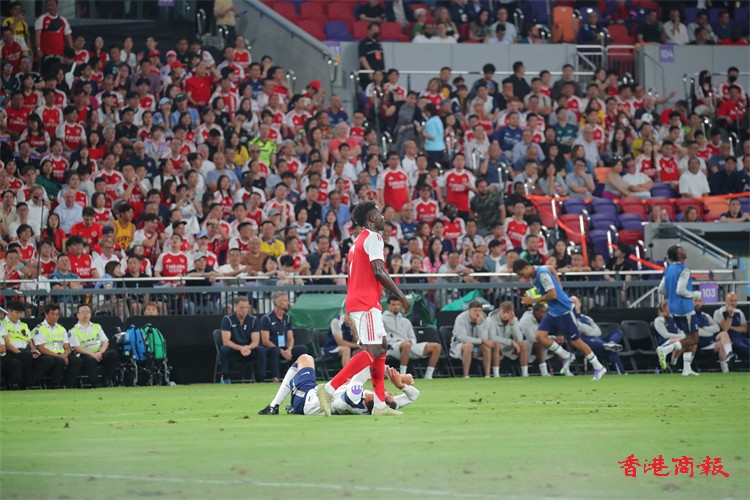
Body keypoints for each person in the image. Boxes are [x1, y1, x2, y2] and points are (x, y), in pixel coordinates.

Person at [316, 201, 411, 417]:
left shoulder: (357, 242)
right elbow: (379, 270)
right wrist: (401, 296)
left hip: (363, 300)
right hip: (365, 302)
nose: (383, 217)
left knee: (381, 347)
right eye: (379, 214)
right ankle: (329, 389)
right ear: (371, 218)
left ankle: (380, 405)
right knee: (372, 350)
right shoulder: (374, 237)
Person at [513, 259, 607, 380]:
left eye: (521, 274)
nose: (522, 277)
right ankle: (566, 355)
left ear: (526, 267)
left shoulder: (542, 274)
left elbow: (553, 295)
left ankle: (598, 366)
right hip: (553, 311)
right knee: (539, 336)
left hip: (565, 310)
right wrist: (559, 285)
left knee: (576, 342)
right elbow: (551, 268)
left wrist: (533, 300)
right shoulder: (538, 271)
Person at [259, 355, 418, 416]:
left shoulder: (354, 397)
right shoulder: (374, 405)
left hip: (306, 400)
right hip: (318, 397)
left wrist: (398, 377)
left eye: (388, 395)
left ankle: (273, 406)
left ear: (377, 400)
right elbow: (413, 396)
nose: (390, 392)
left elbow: (363, 370)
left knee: (305, 358)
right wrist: (401, 386)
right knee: (345, 382)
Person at [656, 245, 701, 376]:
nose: (684, 250)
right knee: (694, 339)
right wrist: (695, 294)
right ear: (678, 255)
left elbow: (661, 289)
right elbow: (681, 290)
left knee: (688, 337)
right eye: (681, 249)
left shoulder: (668, 269)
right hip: (685, 307)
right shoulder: (684, 269)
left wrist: (672, 297)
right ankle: (666, 350)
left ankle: (686, 368)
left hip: (673, 308)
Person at [383, 295, 441, 379]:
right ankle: (402, 375)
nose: (396, 307)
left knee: (436, 346)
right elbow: (382, 337)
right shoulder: (382, 320)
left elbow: (412, 337)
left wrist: (410, 342)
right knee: (406, 345)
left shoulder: (406, 321)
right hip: (392, 347)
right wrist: (397, 341)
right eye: (393, 304)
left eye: (398, 304)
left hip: (409, 345)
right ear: (388, 306)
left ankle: (428, 376)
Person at [1, 299, 53, 389]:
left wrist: (33, 350)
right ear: (9, 311)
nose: (18, 315)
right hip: (11, 352)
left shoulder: (24, 325)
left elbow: (30, 341)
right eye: (16, 312)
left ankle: (30, 381)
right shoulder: (3, 324)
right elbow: (7, 344)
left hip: (26, 352)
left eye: (20, 313)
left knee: (48, 360)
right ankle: (27, 383)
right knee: (26, 356)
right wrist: (21, 353)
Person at [570, 296, 626, 375]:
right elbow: (579, 327)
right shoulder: (570, 318)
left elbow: (598, 332)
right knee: (611, 350)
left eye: (574, 302)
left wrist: (588, 331)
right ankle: (622, 372)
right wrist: (589, 331)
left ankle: (611, 343)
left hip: (596, 339)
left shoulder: (587, 318)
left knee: (618, 331)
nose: (572, 305)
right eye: (570, 303)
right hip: (584, 342)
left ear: (580, 304)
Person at [68, 303, 120, 387]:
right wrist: (93, 354)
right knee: (90, 359)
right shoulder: (73, 330)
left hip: (99, 352)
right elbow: (77, 348)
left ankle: (108, 378)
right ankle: (94, 383)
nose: (85, 314)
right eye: (83, 312)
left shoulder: (97, 326)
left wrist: (100, 352)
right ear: (78, 315)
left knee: (112, 354)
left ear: (90, 314)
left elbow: (105, 341)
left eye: (87, 312)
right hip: (85, 354)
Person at [259, 291, 307, 383]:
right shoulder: (266, 318)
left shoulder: (287, 318)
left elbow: (290, 338)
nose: (288, 303)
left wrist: (289, 349)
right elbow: (265, 340)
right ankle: (275, 378)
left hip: (284, 348)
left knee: (302, 349)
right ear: (277, 303)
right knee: (275, 351)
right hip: (271, 348)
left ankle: (301, 377)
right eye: (285, 301)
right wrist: (281, 351)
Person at [32, 303, 82, 388]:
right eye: (52, 314)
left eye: (57, 314)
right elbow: (41, 349)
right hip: (47, 355)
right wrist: (58, 356)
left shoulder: (61, 329)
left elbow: (67, 346)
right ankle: (55, 384)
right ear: (46, 314)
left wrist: (66, 354)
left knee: (77, 360)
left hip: (61, 354)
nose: (55, 317)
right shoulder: (39, 329)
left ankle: (68, 384)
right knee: (59, 360)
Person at [450, 299, 502, 378]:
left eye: (480, 310)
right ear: (469, 310)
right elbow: (463, 338)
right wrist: (482, 340)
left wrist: (479, 325)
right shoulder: (461, 318)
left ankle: (487, 375)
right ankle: (466, 375)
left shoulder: (483, 318)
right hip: (459, 346)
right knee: (469, 345)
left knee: (486, 347)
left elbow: (484, 338)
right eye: (475, 310)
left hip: (476, 347)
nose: (477, 313)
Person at [219, 296, 263, 384]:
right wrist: (240, 348)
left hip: (248, 350)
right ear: (236, 307)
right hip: (234, 351)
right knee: (224, 349)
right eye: (242, 308)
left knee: (261, 350)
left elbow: (255, 341)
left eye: (246, 307)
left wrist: (248, 347)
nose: (244, 310)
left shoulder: (253, 320)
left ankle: (261, 379)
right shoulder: (227, 319)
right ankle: (225, 378)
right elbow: (226, 341)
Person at [488, 301, 529, 377]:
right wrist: (511, 342)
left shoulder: (514, 319)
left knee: (522, 344)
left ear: (512, 312)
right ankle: (496, 375)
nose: (505, 315)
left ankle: (525, 374)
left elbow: (519, 339)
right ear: (500, 310)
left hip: (508, 347)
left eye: (508, 313)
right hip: (494, 346)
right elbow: (492, 337)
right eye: (503, 312)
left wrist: (512, 324)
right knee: (497, 345)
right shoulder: (491, 319)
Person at [713, 292, 748, 364]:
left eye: (735, 301)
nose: (733, 303)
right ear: (726, 300)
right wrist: (730, 315)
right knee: (743, 346)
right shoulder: (718, 312)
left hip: (741, 337)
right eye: (731, 300)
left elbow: (745, 329)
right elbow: (725, 329)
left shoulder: (739, 312)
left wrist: (731, 327)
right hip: (729, 338)